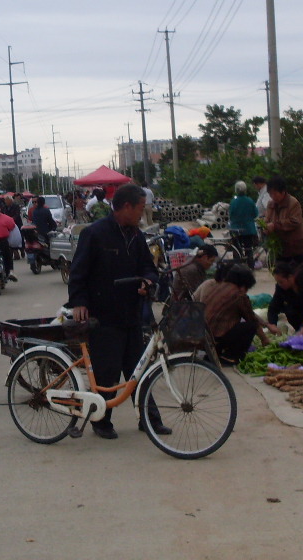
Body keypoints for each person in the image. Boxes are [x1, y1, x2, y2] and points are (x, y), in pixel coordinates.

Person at [69, 183, 168, 439]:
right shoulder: (95, 233)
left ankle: (149, 419)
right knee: (108, 372)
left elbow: (149, 267)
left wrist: (148, 282)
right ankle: (101, 421)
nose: (142, 213)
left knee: (139, 369)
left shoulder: (135, 235)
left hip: (132, 313)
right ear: (126, 207)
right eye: (140, 208)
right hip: (104, 316)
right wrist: (79, 302)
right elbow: (78, 272)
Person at [198, 263, 274, 364]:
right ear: (243, 286)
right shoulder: (239, 295)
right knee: (250, 326)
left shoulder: (217, 287)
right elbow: (252, 319)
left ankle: (215, 354)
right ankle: (231, 357)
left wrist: (266, 325)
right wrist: (264, 339)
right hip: (215, 338)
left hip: (203, 336)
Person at [265, 175, 303, 266]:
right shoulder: (271, 205)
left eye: (275, 193)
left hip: (296, 249)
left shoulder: (293, 203)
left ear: (283, 191)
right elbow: (267, 219)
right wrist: (265, 226)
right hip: (280, 249)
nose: (273, 196)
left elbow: (295, 221)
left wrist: (275, 225)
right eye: (270, 194)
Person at [266, 260, 303, 333]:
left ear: (290, 277)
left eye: (281, 282)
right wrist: (272, 324)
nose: (279, 284)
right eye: (278, 282)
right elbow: (273, 307)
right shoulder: (281, 288)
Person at [228, 180, 259, 267]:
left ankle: (237, 266)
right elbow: (255, 214)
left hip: (236, 230)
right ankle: (250, 267)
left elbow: (231, 215)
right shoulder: (250, 201)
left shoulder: (233, 202)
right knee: (249, 249)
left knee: (236, 249)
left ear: (236, 190)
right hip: (248, 229)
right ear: (245, 190)